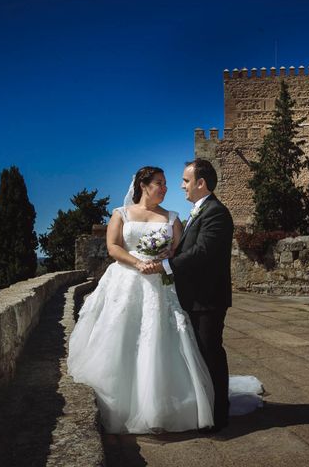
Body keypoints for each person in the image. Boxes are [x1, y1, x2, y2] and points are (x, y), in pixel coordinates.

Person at [67, 166, 215, 434]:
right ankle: (120, 403)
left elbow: (180, 251)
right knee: (121, 335)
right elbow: (113, 247)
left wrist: (162, 261)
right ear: (143, 185)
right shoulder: (120, 214)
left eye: (167, 183)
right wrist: (138, 263)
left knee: (159, 337)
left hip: (160, 284)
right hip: (126, 281)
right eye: (159, 183)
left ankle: (160, 406)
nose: (166, 188)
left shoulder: (172, 217)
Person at [144, 159, 234, 432]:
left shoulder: (216, 213)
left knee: (211, 353)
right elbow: (190, 250)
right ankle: (204, 406)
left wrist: (166, 265)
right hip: (194, 296)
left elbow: (203, 252)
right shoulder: (199, 211)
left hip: (207, 298)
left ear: (200, 183)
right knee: (199, 355)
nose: (181, 186)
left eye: (185, 180)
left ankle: (219, 415)